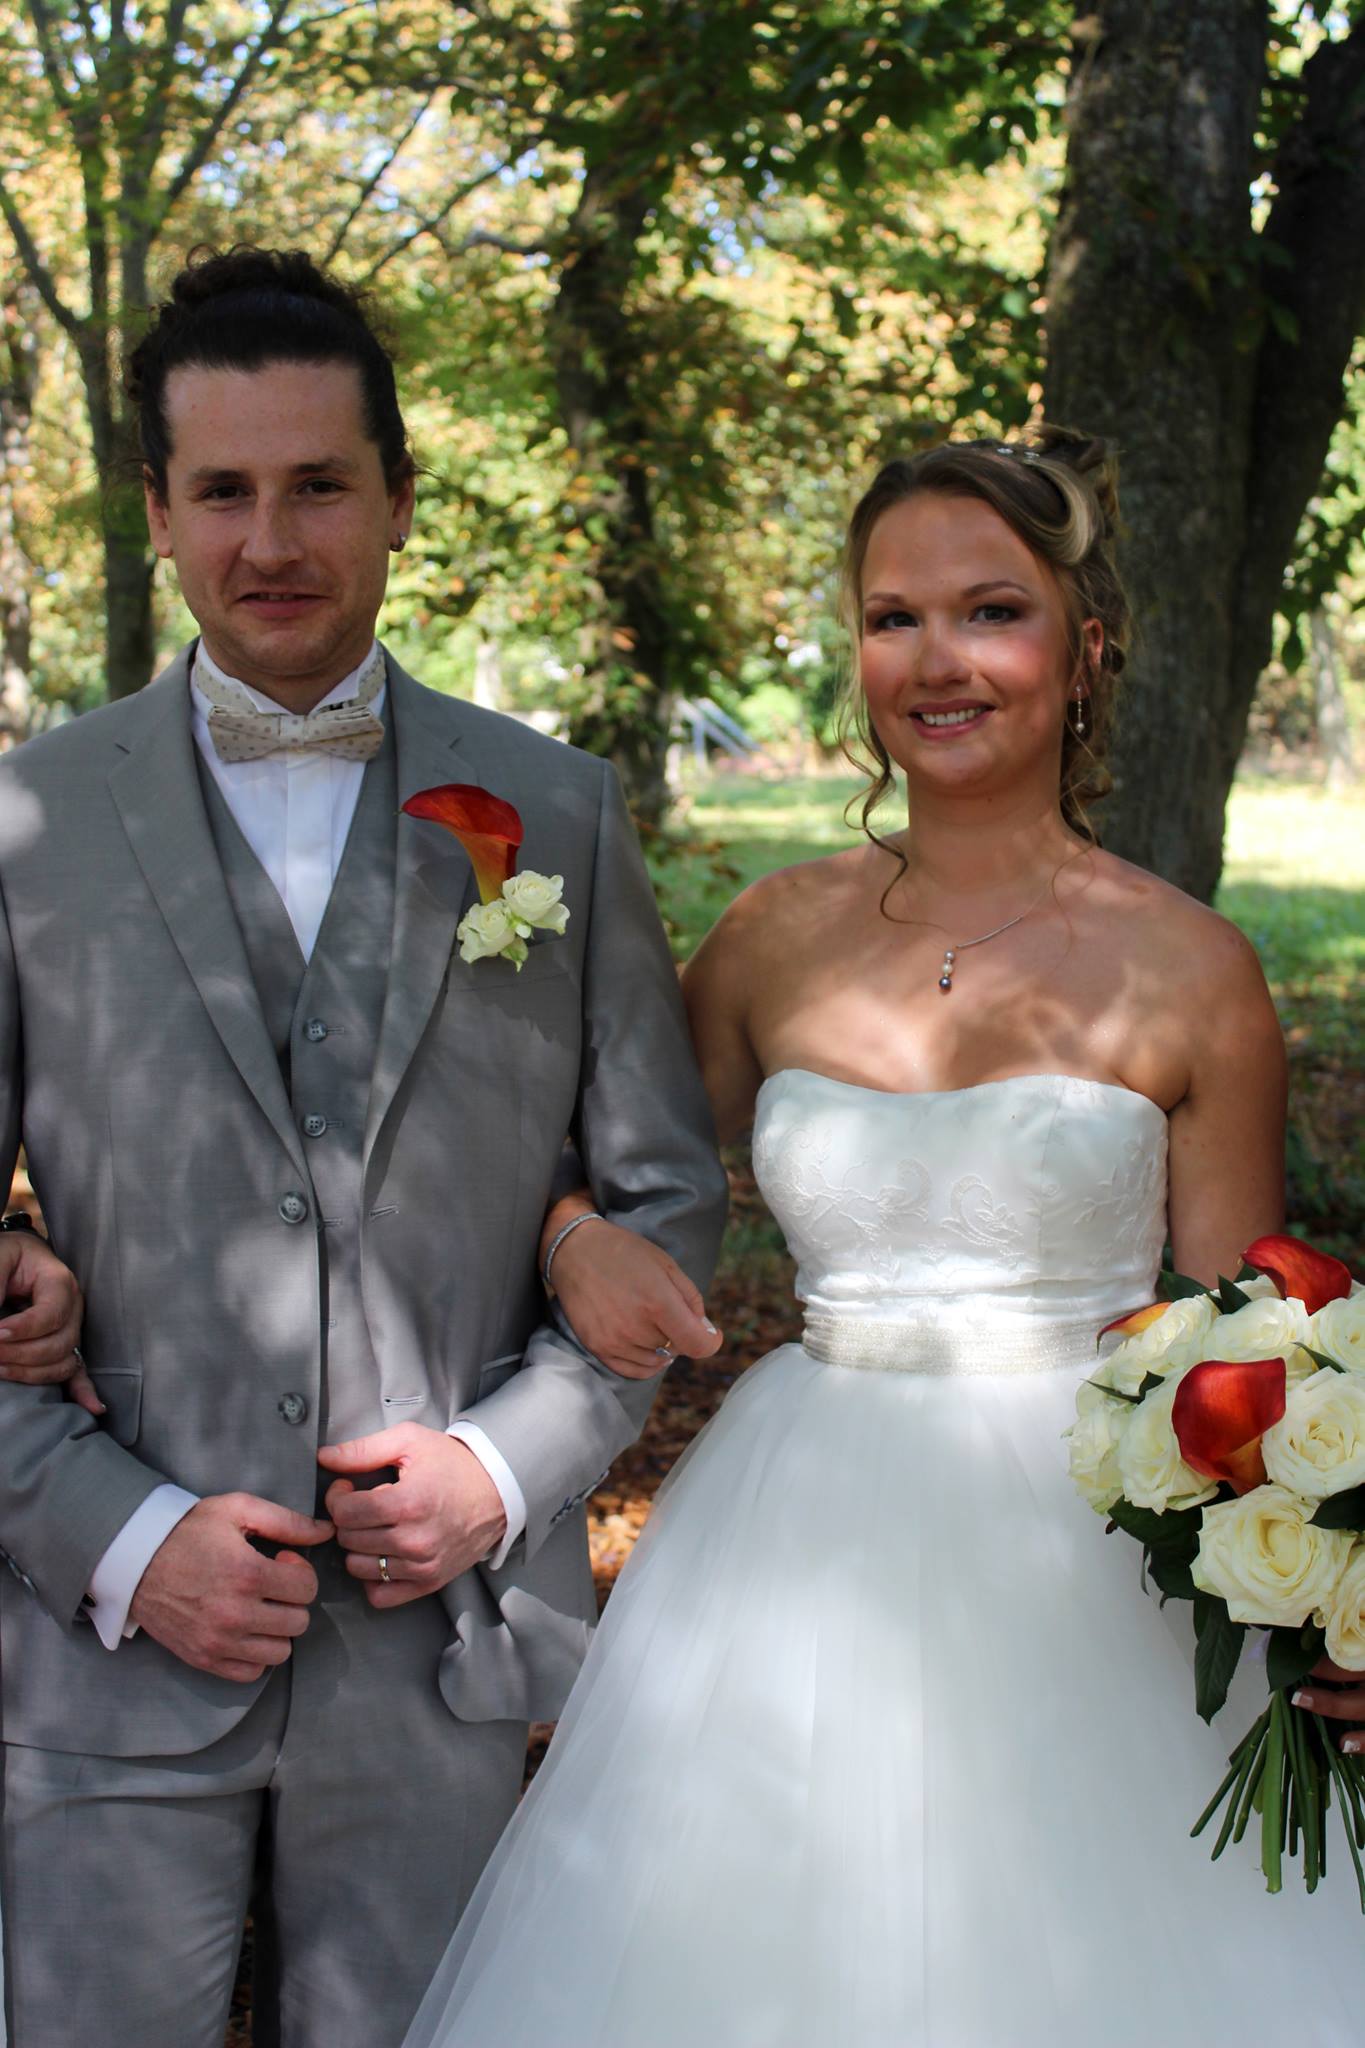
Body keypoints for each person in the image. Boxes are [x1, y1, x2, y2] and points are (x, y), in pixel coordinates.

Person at [402, 429, 1365, 2048]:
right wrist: (570, 1228)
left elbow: (1242, 1355)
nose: (936, 660)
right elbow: (567, 1162)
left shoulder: (1191, 967)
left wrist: (1324, 1601)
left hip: (1090, 1559)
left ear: (1084, 646)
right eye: (890, 617)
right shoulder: (769, 937)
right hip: (795, 1533)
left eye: (990, 611)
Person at [0, 245, 727, 2048]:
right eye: (223, 492)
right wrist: (114, 1529)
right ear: (157, 509)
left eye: (319, 485)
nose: (272, 540)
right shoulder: (27, 820)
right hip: (103, 1650)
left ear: (398, 496)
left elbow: (663, 1207)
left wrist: (500, 1465)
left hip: (443, 1650)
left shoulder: (556, 810)